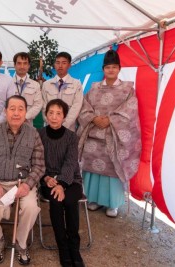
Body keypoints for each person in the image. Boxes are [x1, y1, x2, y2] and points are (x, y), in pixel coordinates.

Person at [0, 95, 45, 265]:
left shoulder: (33, 133)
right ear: (5, 111)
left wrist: (28, 185)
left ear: (25, 112)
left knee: (31, 207)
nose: (16, 113)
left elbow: (39, 166)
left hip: (22, 183)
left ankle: (21, 243)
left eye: (20, 109)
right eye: (12, 109)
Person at [77, 50, 141, 218]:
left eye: (114, 67)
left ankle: (112, 204)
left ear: (119, 68)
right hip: (94, 134)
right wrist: (93, 118)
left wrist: (110, 120)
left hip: (114, 137)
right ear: (103, 69)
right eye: (107, 67)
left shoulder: (127, 89)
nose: (111, 70)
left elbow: (130, 111)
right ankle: (94, 199)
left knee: (112, 168)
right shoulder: (94, 88)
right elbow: (85, 107)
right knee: (92, 168)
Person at [39, 99, 85, 267]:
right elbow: (37, 161)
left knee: (70, 200)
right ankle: (63, 248)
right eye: (51, 113)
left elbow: (71, 162)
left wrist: (62, 184)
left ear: (65, 117)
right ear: (46, 115)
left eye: (59, 113)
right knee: (57, 202)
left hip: (71, 180)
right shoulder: (40, 134)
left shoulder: (72, 137)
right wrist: (45, 178)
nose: (54, 117)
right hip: (48, 181)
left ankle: (75, 247)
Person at [42, 52, 83, 131]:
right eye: (57, 63)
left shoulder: (76, 84)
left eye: (64, 63)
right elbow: (44, 107)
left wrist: (64, 125)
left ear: (69, 65)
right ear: (54, 65)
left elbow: (76, 106)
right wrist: (51, 123)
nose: (60, 66)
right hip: (50, 127)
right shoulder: (46, 84)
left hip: (68, 129)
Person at [12, 52, 43, 126]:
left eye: (25, 63)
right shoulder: (7, 84)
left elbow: (38, 104)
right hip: (10, 123)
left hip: (28, 124)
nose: (22, 66)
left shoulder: (35, 85)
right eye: (19, 63)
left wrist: (25, 117)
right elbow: (3, 104)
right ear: (14, 65)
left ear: (29, 65)